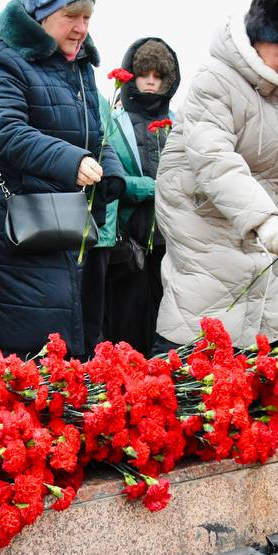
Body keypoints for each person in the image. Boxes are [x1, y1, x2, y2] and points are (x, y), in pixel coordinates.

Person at [154, 0, 278, 352]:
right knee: (203, 339)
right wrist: (262, 220)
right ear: (257, 39)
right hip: (208, 225)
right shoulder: (214, 82)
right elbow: (215, 160)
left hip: (277, 232)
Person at [0, 0, 124, 357]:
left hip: (56, 214)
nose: (81, 28)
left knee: (63, 331)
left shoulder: (78, 65)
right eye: (71, 16)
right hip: (11, 216)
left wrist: (111, 174)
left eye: (87, 18)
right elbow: (2, 130)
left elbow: (92, 133)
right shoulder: (4, 59)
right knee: (32, 341)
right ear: (42, 14)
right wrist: (71, 161)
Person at [102, 37, 181, 354]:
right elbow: (113, 179)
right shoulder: (113, 122)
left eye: (158, 75)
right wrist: (152, 187)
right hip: (127, 245)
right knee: (125, 327)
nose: (150, 81)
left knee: (165, 329)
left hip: (171, 244)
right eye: (144, 73)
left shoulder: (180, 124)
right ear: (131, 75)